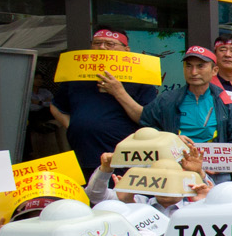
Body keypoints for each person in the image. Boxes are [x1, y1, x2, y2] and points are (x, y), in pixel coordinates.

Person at [50, 27, 159, 173]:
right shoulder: (76, 77)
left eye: (110, 44)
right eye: (97, 43)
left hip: (123, 161)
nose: (102, 47)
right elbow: (56, 106)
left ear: (126, 50)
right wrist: (72, 125)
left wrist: (118, 92)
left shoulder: (141, 81)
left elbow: (147, 119)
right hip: (83, 156)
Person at [139, 45, 232, 146]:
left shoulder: (223, 100)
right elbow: (145, 126)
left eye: (200, 66)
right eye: (189, 66)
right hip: (176, 158)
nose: (193, 72)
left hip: (213, 159)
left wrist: (223, 159)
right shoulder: (167, 99)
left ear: (214, 71)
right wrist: (170, 139)